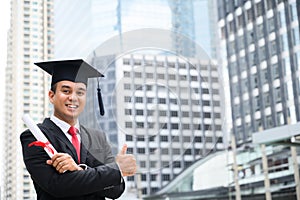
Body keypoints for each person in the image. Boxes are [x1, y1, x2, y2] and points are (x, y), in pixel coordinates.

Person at [20, 59, 137, 200]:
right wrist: (114, 170)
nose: (73, 98)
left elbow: (115, 191)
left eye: (80, 92)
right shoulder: (35, 136)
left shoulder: (98, 138)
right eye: (66, 91)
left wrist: (78, 170)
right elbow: (58, 186)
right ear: (52, 96)